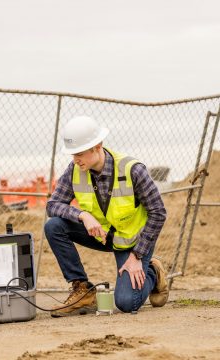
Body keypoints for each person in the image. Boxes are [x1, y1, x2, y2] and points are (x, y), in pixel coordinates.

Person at [44, 115, 168, 317]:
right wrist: (83, 215)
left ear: (97, 145)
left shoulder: (132, 170)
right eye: (72, 154)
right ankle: (82, 290)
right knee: (54, 226)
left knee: (127, 303)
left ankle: (152, 272)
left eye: (80, 153)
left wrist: (137, 256)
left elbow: (158, 213)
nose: (76, 159)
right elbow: (53, 205)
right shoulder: (74, 170)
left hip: (132, 242)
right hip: (101, 235)